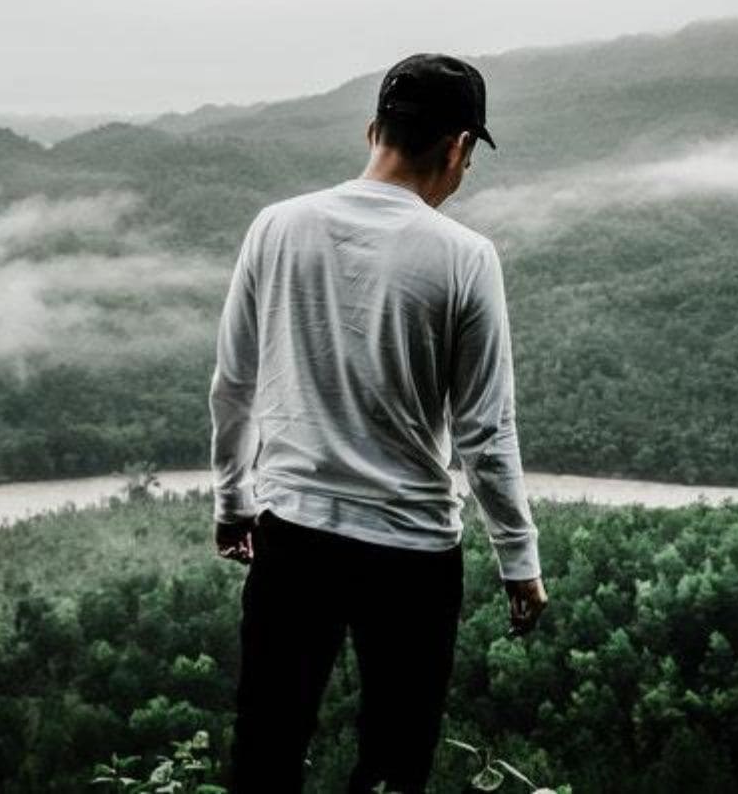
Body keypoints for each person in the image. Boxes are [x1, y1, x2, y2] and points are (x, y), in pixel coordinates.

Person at [209, 52, 549, 794]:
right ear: (459, 147)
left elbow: (234, 382)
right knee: (394, 765)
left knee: (266, 748)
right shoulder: (465, 257)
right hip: (411, 553)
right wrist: (518, 560)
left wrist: (234, 501)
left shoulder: (277, 226)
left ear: (374, 129)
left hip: (294, 534)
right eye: (468, 156)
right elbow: (485, 434)